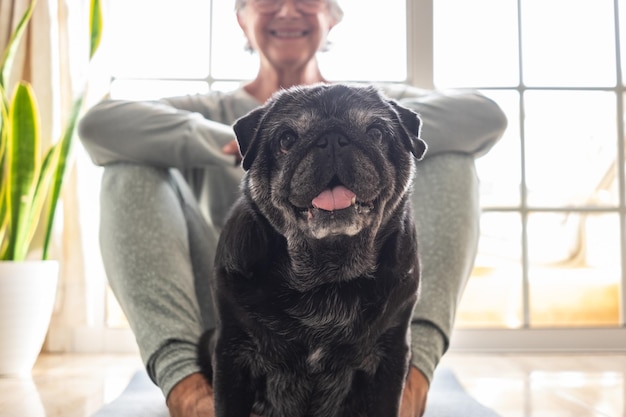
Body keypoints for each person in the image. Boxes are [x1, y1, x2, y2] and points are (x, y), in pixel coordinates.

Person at [78, 1, 507, 416]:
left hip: (375, 308)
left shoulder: (374, 100)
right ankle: (189, 391)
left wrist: (383, 127)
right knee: (125, 170)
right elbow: (99, 126)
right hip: (236, 315)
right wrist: (230, 143)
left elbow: (485, 117)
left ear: (332, 17)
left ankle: (408, 384)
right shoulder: (211, 110)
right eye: (288, 141)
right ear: (241, 19)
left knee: (453, 160)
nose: (286, 10)